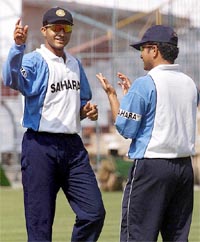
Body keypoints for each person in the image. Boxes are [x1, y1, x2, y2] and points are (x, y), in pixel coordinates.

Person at [2, 6, 105, 242]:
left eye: (66, 28)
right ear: (44, 31)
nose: (61, 32)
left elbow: (82, 102)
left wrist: (86, 110)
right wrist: (18, 47)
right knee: (40, 224)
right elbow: (11, 79)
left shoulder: (75, 65)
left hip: (72, 148)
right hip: (40, 146)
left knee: (94, 213)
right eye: (55, 28)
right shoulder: (34, 60)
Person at [96, 25, 199, 242]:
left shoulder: (145, 84)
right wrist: (133, 98)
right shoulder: (190, 84)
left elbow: (125, 128)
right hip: (183, 169)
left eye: (142, 49)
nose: (141, 54)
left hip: (152, 167)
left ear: (154, 50)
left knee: (138, 235)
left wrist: (114, 97)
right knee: (178, 237)